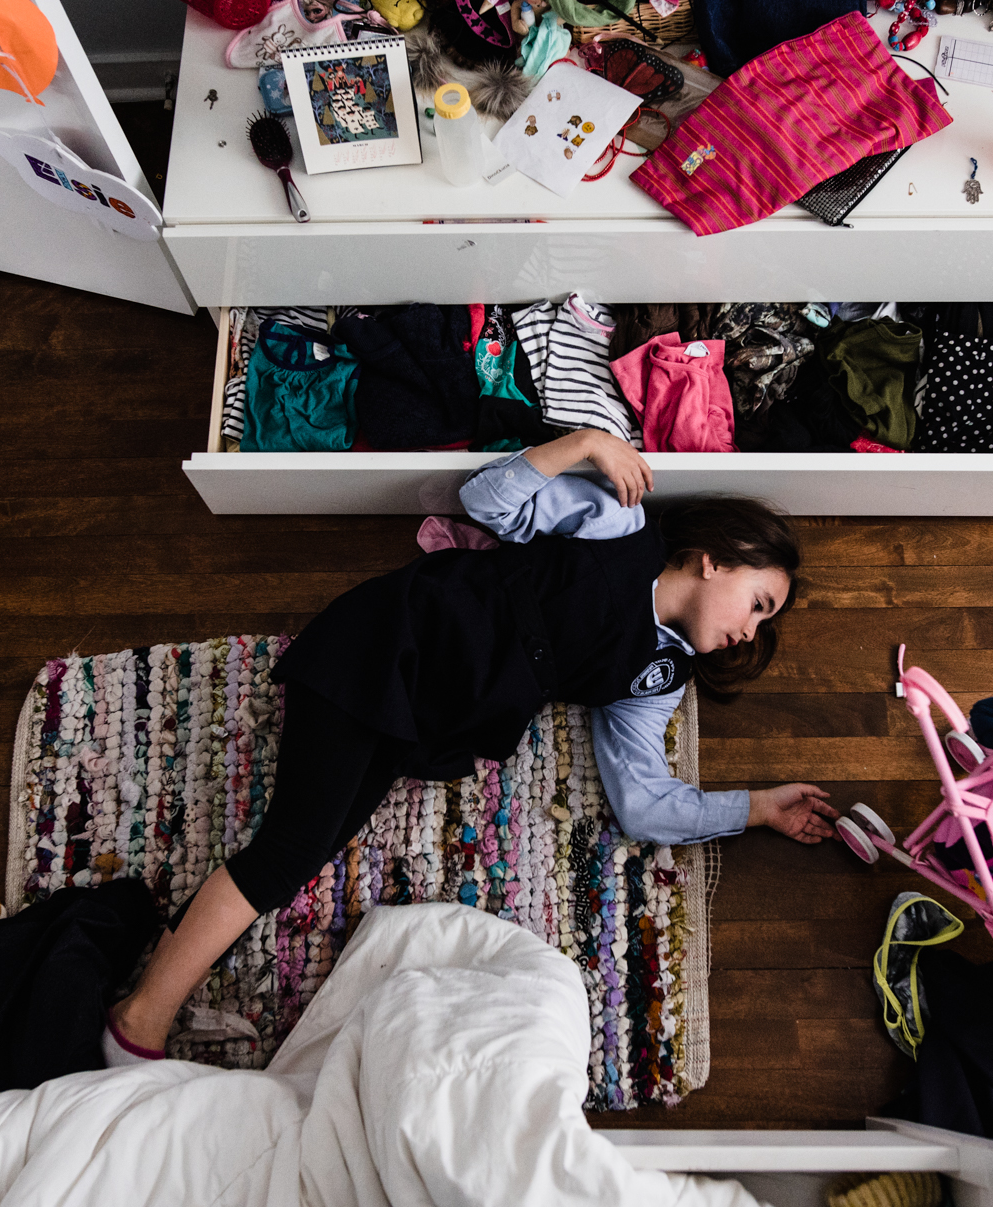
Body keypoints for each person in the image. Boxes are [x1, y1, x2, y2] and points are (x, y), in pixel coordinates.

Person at [106, 428, 836, 1058]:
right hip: (396, 642)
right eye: (759, 604)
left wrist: (756, 809)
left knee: (301, 851)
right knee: (288, 850)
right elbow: (488, 500)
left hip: (423, 724)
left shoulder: (659, 676)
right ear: (714, 557)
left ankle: (153, 985)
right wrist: (582, 445)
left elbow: (642, 802)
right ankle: (138, 1023)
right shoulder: (621, 523)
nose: (751, 629)